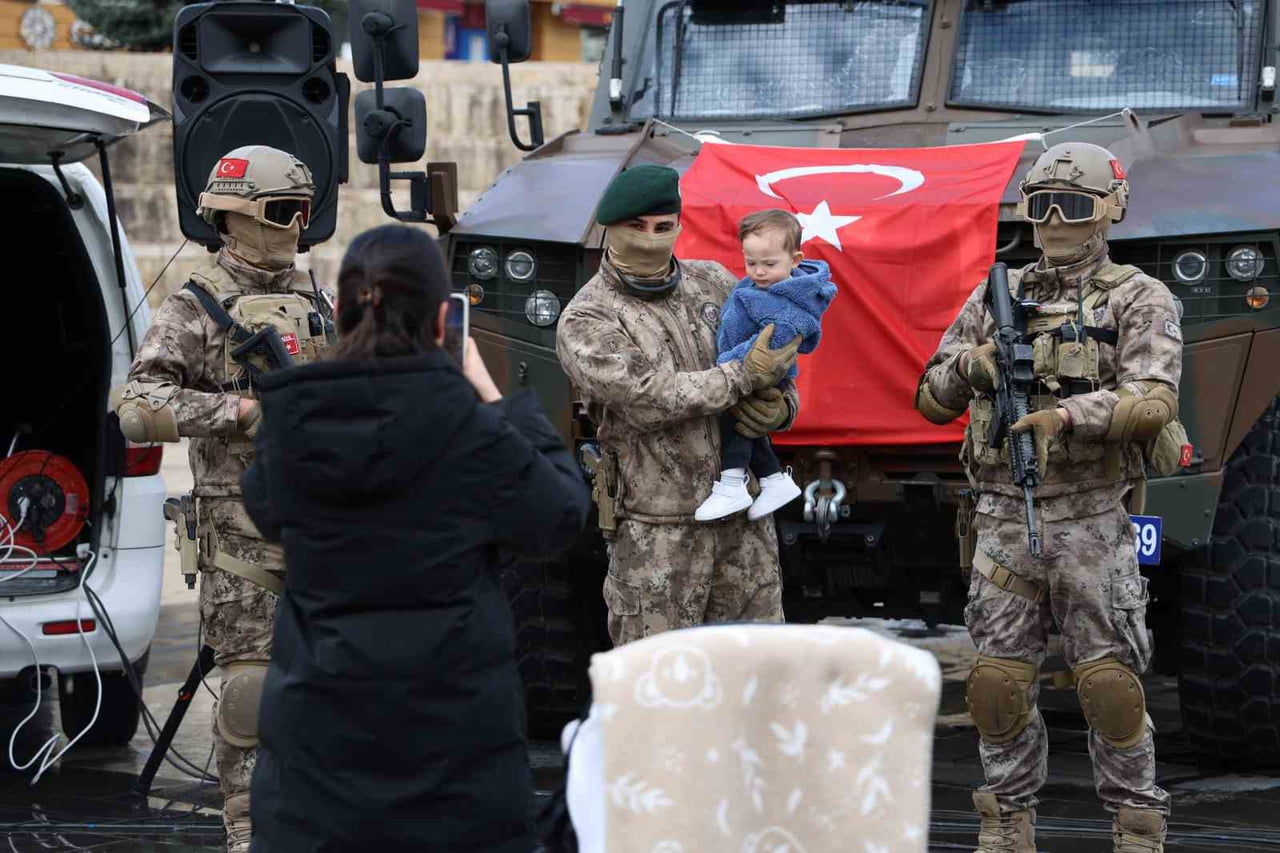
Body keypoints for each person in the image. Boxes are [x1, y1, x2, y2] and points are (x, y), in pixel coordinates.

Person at [241, 225, 589, 853]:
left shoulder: (294, 418)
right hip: (453, 750)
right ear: (440, 321)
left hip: (319, 744)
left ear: (344, 312)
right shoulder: (470, 425)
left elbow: (266, 510)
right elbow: (558, 516)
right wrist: (494, 395)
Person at [914, 142, 1181, 853]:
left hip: (1091, 516)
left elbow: (1153, 399)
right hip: (1004, 517)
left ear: (1109, 211)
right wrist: (975, 364)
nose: (1055, 222)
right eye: (1041, 206)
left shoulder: (1138, 297)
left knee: (1110, 688)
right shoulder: (996, 294)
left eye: (1074, 206)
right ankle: (1005, 824)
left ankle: (1137, 828)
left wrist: (1067, 416)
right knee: (998, 688)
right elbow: (929, 396)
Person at [113, 145, 328, 853]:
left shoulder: (312, 296)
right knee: (251, 695)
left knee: (331, 685)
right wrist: (239, 413)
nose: (298, 225)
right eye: (284, 211)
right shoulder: (196, 302)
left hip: (322, 522)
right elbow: (139, 405)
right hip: (241, 533)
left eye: (304, 211)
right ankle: (249, 827)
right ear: (235, 214)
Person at [556, 164, 801, 646]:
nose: (650, 239)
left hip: (743, 530)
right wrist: (741, 376)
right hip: (658, 540)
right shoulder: (587, 317)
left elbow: (775, 353)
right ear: (612, 228)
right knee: (660, 695)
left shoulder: (713, 283)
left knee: (754, 685)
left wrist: (782, 406)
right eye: (637, 228)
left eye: (663, 227)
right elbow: (647, 397)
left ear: (677, 227)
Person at [695, 208, 836, 522]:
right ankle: (774, 479)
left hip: (759, 375)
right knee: (749, 425)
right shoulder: (761, 287)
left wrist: (729, 364)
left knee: (740, 425)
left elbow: (772, 344)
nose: (758, 271)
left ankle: (731, 483)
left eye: (769, 264)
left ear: (795, 260)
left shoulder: (792, 306)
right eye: (751, 262)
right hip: (743, 370)